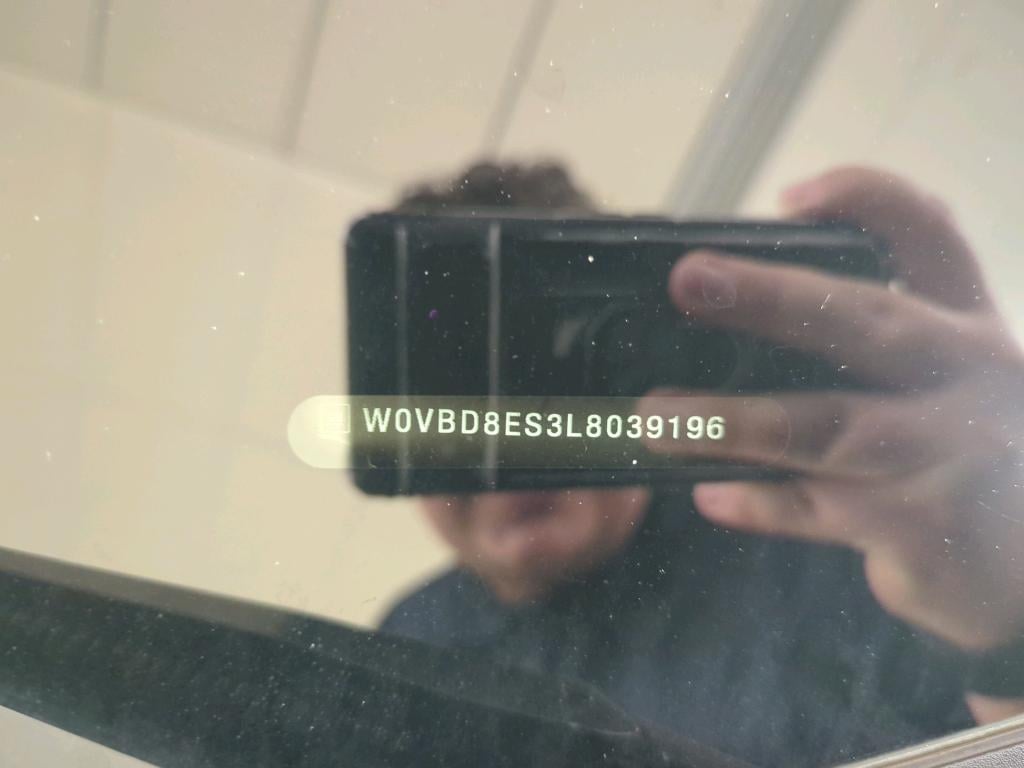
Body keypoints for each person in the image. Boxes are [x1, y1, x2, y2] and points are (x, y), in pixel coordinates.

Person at [379, 161, 1024, 767]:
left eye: (541, 376)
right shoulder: (408, 645)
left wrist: (1008, 627)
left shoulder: (851, 538)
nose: (505, 432)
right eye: (450, 399)